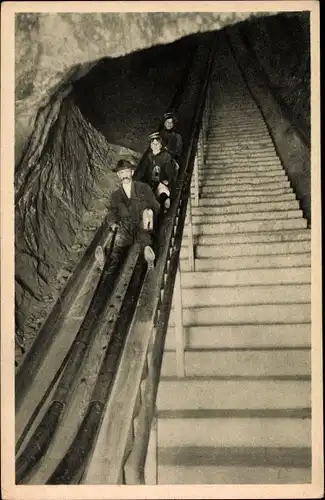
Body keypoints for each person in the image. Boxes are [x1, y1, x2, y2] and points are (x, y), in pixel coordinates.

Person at [95, 159, 160, 279]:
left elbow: (156, 205)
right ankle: (106, 261)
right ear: (118, 175)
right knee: (117, 242)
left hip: (142, 223)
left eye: (126, 172)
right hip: (126, 225)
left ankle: (148, 258)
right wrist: (112, 222)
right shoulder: (116, 195)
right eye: (121, 173)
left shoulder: (143, 188)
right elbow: (112, 211)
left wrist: (149, 212)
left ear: (132, 172)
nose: (124, 175)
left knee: (145, 239)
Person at [137, 132, 177, 213]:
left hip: (161, 182)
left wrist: (168, 181)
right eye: (153, 144)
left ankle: (163, 203)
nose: (155, 146)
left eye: (157, 144)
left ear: (161, 145)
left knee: (162, 192)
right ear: (150, 145)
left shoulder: (166, 156)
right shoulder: (149, 156)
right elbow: (143, 170)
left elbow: (169, 172)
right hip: (150, 183)